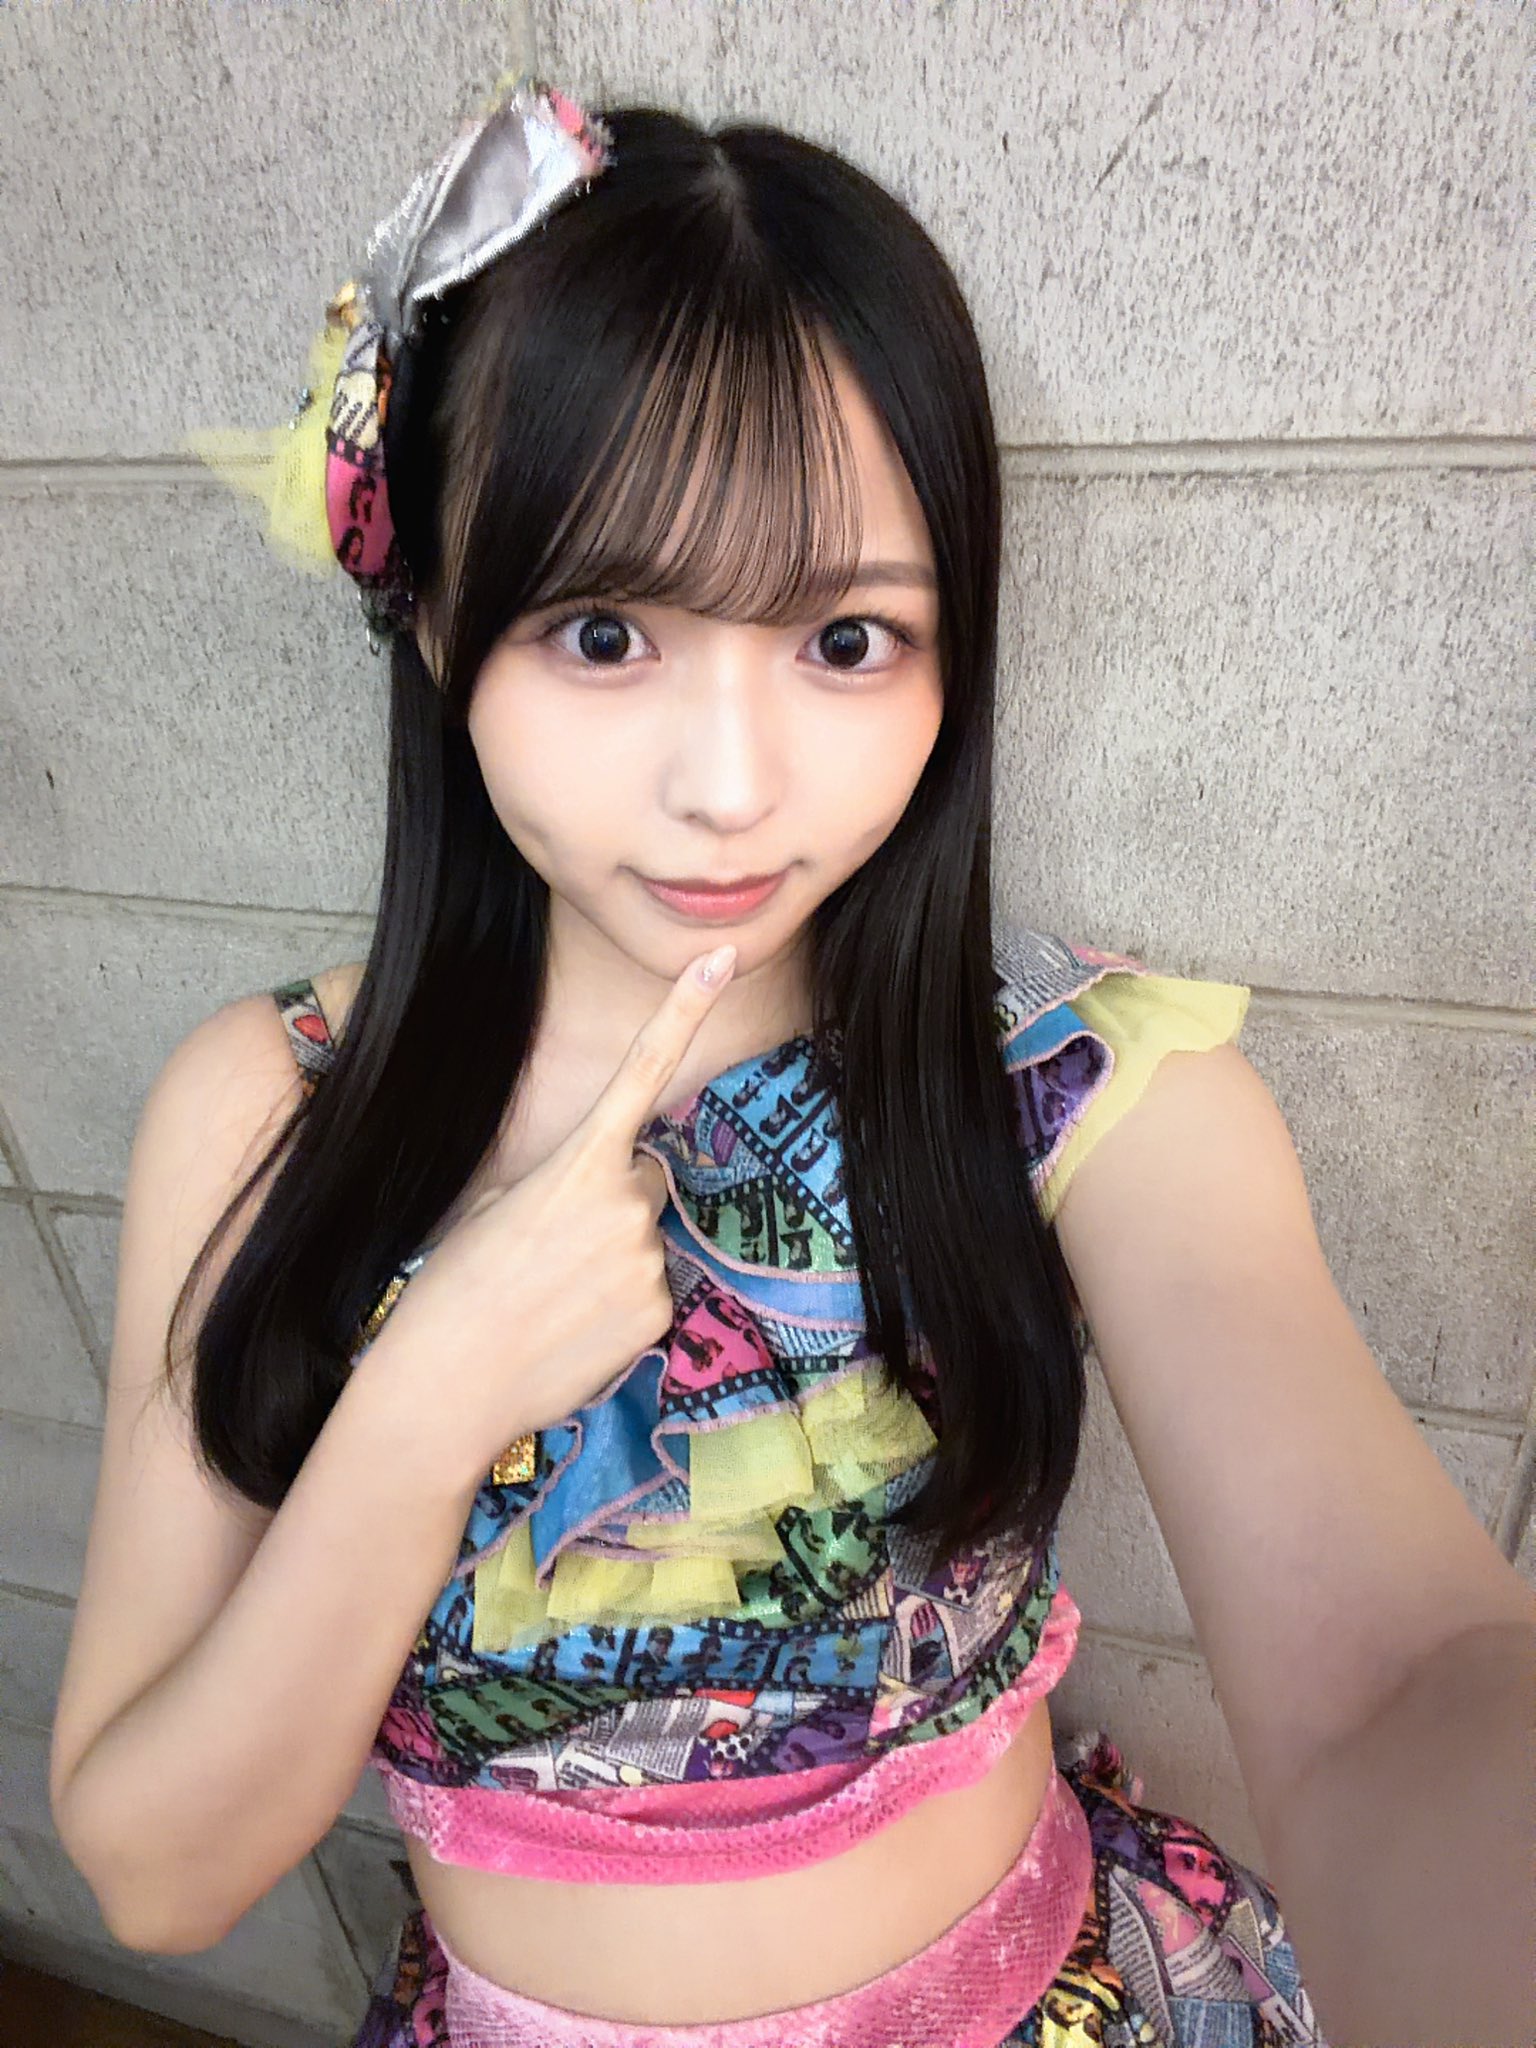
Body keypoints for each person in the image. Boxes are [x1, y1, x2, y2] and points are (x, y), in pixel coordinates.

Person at [46, 75, 1533, 2048]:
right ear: (437, 622)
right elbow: (157, 1872)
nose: (732, 784)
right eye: (604, 633)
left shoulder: (1074, 1092)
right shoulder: (272, 1112)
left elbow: (1388, 1681)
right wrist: (433, 1393)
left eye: (846, 641)